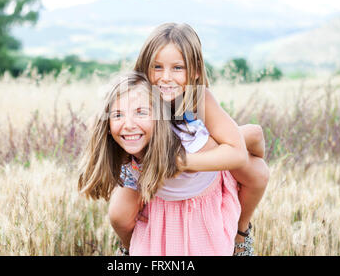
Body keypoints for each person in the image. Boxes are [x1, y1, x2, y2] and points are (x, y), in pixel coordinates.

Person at [111, 22, 269, 255]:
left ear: (195, 70)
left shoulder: (199, 98)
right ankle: (128, 249)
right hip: (149, 172)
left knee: (257, 166)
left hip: (195, 165)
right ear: (144, 68)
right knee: (118, 215)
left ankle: (240, 234)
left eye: (177, 68)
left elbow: (235, 154)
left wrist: (184, 162)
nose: (166, 77)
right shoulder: (140, 97)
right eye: (157, 67)